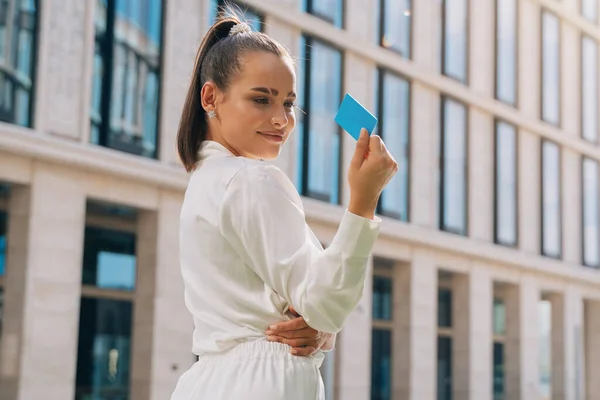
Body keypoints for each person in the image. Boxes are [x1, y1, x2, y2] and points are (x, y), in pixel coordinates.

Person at [171, 9, 398, 400]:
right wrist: (363, 201)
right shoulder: (250, 179)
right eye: (262, 99)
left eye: (289, 103)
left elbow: (306, 306)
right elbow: (324, 302)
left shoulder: (206, 182)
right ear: (211, 96)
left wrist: (319, 328)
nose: (281, 119)